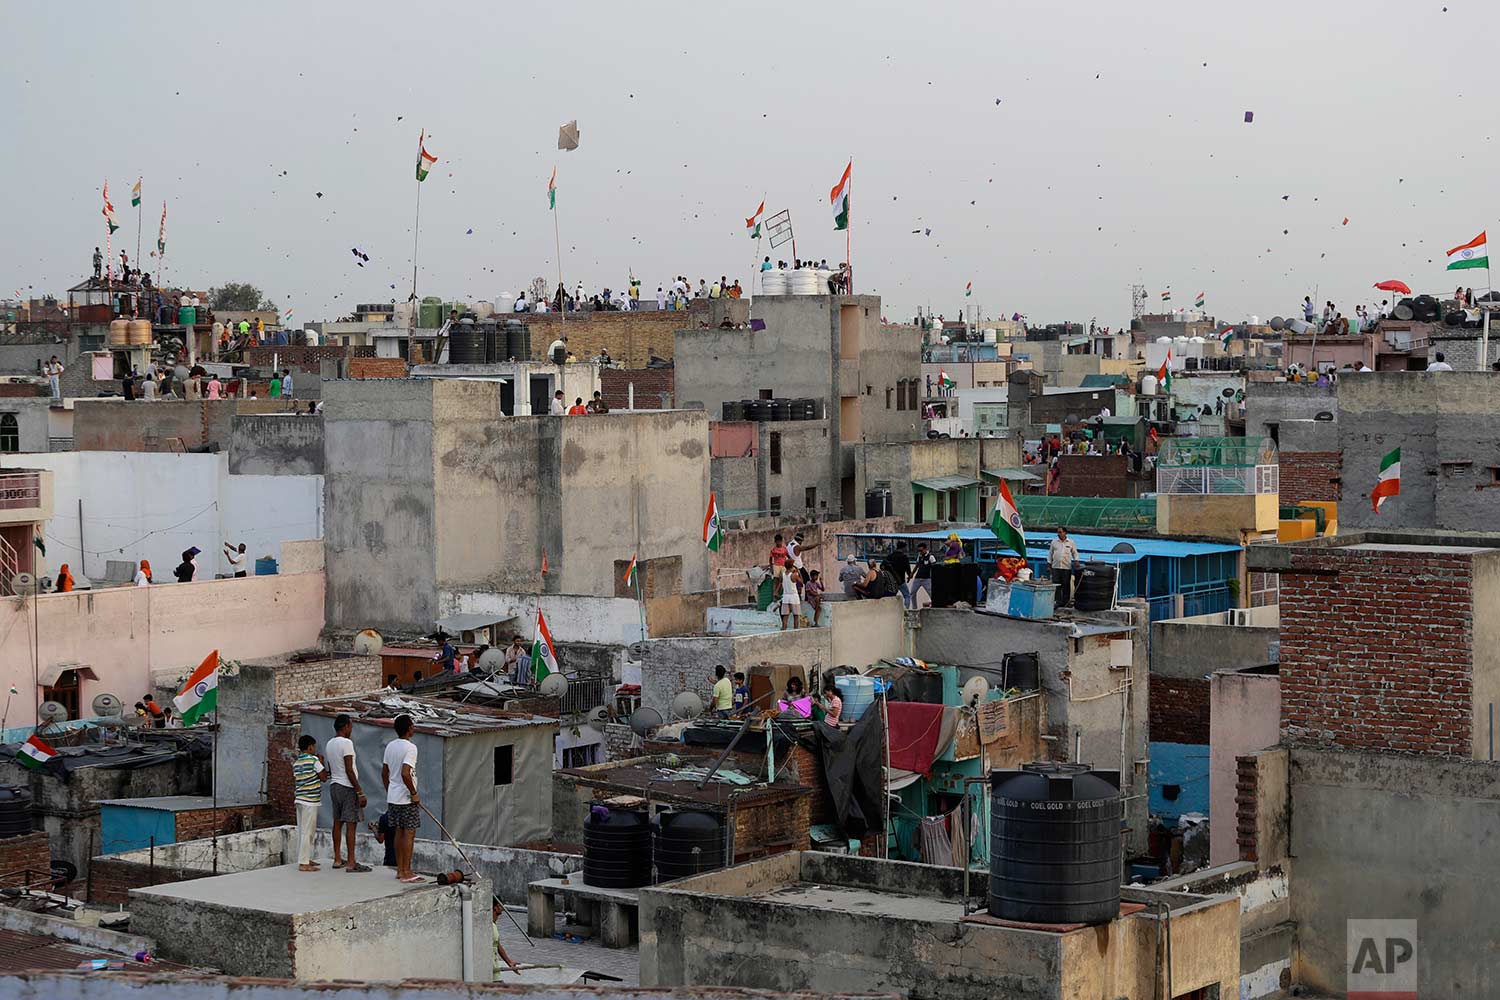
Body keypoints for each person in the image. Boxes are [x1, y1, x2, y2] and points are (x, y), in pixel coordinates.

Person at [326, 714, 371, 873]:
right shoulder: (347, 743)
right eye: (350, 726)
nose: (351, 729)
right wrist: (359, 791)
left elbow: (331, 769)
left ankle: (337, 859)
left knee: (337, 823)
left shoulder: (329, 744)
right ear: (345, 727)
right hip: (347, 787)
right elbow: (349, 769)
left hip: (334, 786)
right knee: (351, 825)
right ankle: (351, 862)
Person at [382, 714, 423, 882]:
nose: (414, 728)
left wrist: (390, 789)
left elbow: (385, 773)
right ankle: (407, 872)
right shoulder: (411, 748)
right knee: (409, 833)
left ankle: (400, 870)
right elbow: (405, 773)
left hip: (393, 796)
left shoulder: (390, 746)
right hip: (406, 798)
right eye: (412, 726)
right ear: (408, 729)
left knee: (398, 832)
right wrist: (413, 793)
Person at [293, 734, 329, 872]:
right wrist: (322, 762)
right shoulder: (314, 760)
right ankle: (303, 863)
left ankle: (306, 858)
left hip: (300, 799)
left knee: (304, 830)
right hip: (310, 800)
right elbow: (324, 777)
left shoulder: (297, 763)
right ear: (309, 747)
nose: (315, 749)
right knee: (307, 831)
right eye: (314, 746)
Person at [1049, 527, 1080, 607]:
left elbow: (1075, 553)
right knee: (1056, 585)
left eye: (1060, 532)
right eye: (1058, 532)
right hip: (1056, 567)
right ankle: (1058, 601)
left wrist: (1076, 561)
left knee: (1066, 585)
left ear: (1065, 533)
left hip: (1066, 567)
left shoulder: (1070, 542)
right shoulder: (1054, 542)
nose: (1059, 534)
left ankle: (1066, 602)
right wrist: (1049, 564)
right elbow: (1050, 554)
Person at [492, 896, 521, 978]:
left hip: (495, 970)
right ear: (495, 907)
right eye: (500, 905)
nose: (502, 908)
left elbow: (497, 945)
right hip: (490, 970)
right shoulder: (488, 926)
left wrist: (509, 962)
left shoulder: (494, 925)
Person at [882, 541, 912, 608]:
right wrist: (909, 576)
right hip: (900, 581)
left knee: (891, 597)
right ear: (903, 548)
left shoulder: (890, 556)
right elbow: (908, 569)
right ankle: (906, 610)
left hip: (891, 581)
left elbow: (883, 567)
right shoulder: (904, 557)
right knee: (907, 595)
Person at [909, 542, 935, 609]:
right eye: (919, 551)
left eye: (921, 550)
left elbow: (934, 567)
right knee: (912, 593)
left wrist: (933, 577)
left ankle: (934, 605)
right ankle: (914, 608)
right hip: (918, 578)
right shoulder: (919, 556)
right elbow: (916, 566)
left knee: (931, 593)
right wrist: (911, 574)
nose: (920, 552)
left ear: (925, 549)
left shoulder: (930, 557)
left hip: (927, 579)